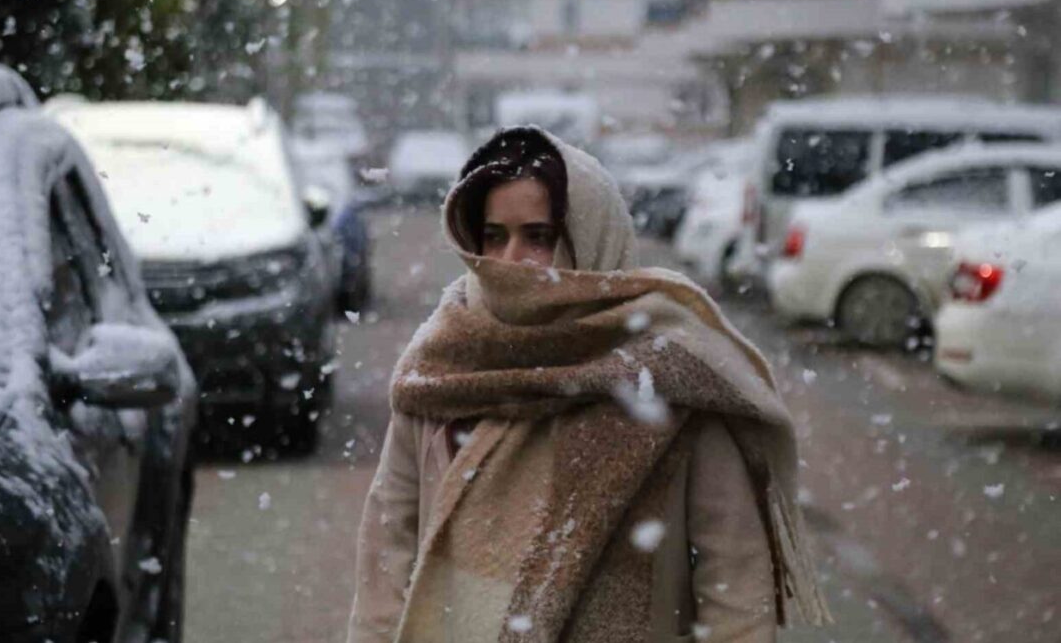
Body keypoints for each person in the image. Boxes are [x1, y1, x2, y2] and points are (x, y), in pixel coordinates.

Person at [346, 126, 830, 643]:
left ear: (591, 236)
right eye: (494, 235)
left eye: (539, 236)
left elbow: (734, 581)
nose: (510, 259)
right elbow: (388, 554)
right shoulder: (442, 365)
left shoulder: (669, 373)